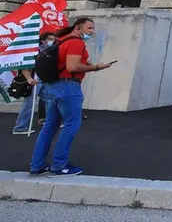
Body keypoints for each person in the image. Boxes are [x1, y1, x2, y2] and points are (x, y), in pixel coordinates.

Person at [30, 18, 113, 177]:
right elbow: (73, 67)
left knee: (49, 127)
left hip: (55, 86)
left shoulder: (61, 40)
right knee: (71, 125)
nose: (92, 31)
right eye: (89, 28)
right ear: (78, 27)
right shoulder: (76, 42)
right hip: (68, 87)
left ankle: (37, 165)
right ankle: (59, 166)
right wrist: (96, 67)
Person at [12, 32, 55, 135]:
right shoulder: (34, 50)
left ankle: (50, 122)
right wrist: (29, 79)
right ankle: (20, 127)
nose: (52, 41)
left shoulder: (47, 51)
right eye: (50, 39)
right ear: (43, 40)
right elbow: (24, 65)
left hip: (43, 79)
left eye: (53, 39)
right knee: (29, 104)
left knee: (50, 100)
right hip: (34, 79)